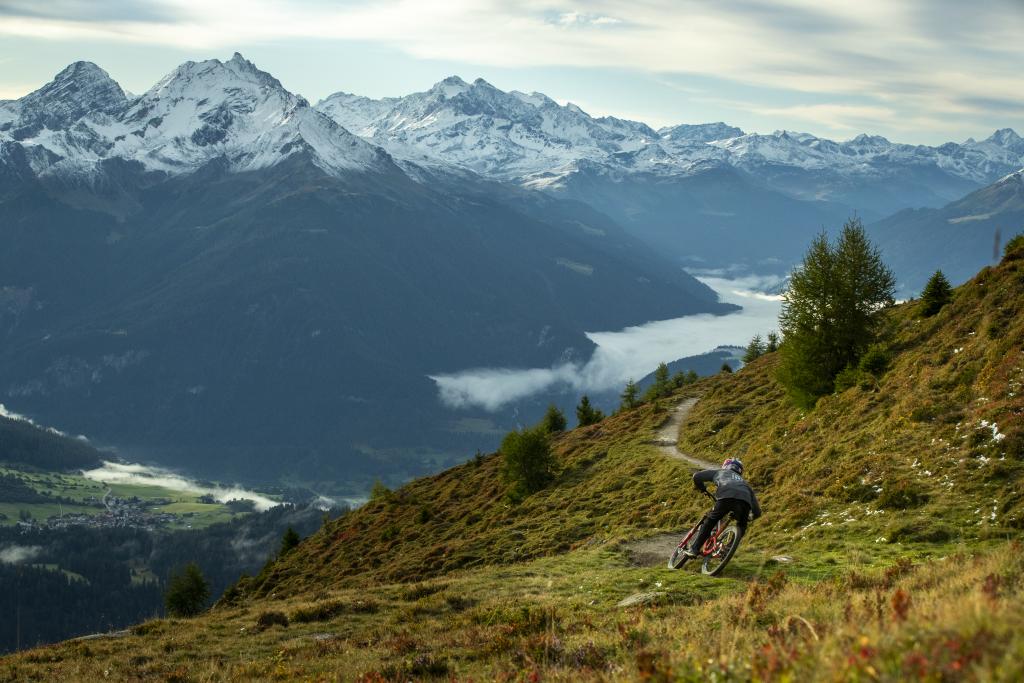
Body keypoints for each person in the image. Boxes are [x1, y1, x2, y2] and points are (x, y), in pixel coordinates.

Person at [683, 457, 761, 557]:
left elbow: (697, 476)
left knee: (711, 520)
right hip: (744, 502)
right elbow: (757, 512)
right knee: (742, 526)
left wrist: (702, 489)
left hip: (725, 497)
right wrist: (749, 518)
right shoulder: (745, 483)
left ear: (726, 466)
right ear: (740, 471)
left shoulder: (720, 472)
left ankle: (694, 549)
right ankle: (728, 549)